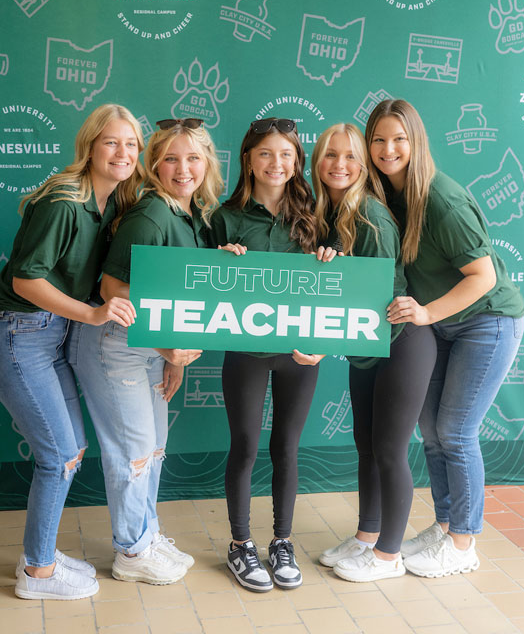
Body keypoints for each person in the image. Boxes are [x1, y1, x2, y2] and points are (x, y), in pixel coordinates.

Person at [0, 104, 144, 599]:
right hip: (19, 335)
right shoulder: (64, 201)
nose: (123, 152)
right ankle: (37, 575)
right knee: (58, 456)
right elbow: (26, 280)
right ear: (90, 145)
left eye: (131, 144)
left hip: (50, 339)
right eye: (112, 142)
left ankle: (39, 557)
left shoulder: (112, 201)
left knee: (70, 454)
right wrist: (93, 314)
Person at [365, 99, 524, 578]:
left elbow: (483, 276)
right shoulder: (387, 196)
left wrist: (428, 312)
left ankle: (463, 544)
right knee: (431, 433)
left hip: (486, 322)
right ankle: (445, 525)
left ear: (416, 142)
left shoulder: (442, 199)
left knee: (455, 432)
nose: (388, 149)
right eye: (378, 139)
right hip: (442, 327)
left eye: (399, 139)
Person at [67, 118, 222, 585]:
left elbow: (172, 295)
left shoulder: (188, 214)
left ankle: (146, 534)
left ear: (208, 163)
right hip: (116, 346)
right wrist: (164, 348)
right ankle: (131, 551)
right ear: (153, 165)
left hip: (149, 349)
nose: (183, 168)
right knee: (132, 453)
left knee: (152, 449)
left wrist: (170, 358)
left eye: (193, 157)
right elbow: (114, 289)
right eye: (170, 158)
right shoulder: (150, 214)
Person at [208, 118, 334, 592]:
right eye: (265, 153)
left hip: (299, 354)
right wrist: (221, 259)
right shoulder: (225, 217)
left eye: (285, 154)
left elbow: (337, 288)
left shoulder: (316, 215)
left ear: (297, 161)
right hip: (246, 351)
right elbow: (200, 289)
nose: (275, 163)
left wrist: (329, 256)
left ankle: (282, 541)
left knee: (286, 447)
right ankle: (240, 544)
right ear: (247, 160)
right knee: (244, 444)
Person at [312, 124, 437, 582]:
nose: (338, 164)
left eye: (349, 156)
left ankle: (388, 556)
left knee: (388, 449)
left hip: (400, 341)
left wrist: (339, 277)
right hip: (365, 347)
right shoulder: (329, 210)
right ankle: (368, 536)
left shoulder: (370, 214)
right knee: (366, 446)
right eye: (329, 155)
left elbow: (375, 295)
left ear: (363, 164)